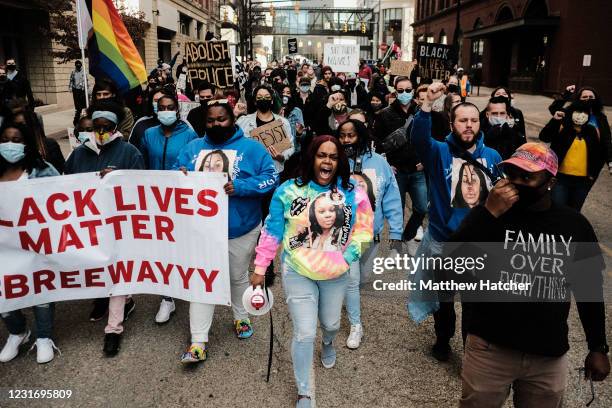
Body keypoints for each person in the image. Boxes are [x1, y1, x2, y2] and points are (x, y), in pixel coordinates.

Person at [452, 143, 610, 407]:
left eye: (527, 177)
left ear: (550, 182)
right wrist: (487, 214)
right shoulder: (491, 215)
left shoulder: (573, 225)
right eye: (511, 175)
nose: (516, 183)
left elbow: (589, 290)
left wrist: (598, 347)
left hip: (546, 354)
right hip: (489, 348)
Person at [251, 135, 373, 407]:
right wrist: (261, 267)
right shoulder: (287, 191)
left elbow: (365, 230)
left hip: (335, 273)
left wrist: (347, 258)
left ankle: (328, 342)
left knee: (330, 324)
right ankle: (304, 390)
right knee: (305, 332)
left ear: (339, 161)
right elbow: (272, 231)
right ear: (312, 158)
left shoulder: (354, 193)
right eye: (321, 155)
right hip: (298, 271)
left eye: (332, 156)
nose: (327, 161)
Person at [174, 99, 278, 363]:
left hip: (241, 229)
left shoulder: (252, 148)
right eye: (211, 120)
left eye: (221, 119)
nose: (216, 124)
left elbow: (270, 177)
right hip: (201, 232)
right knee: (202, 281)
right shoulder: (192, 148)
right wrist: (180, 175)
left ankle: (241, 318)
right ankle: (198, 341)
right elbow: (173, 175)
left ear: (232, 119)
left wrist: (241, 187)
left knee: (237, 276)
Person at [409, 83, 502, 362]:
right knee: (445, 301)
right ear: (452, 123)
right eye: (463, 120)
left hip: (478, 247)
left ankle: (470, 351)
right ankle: (442, 338)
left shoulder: (493, 156)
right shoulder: (438, 151)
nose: (469, 125)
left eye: (474, 120)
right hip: (443, 244)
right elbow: (418, 139)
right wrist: (426, 104)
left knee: (474, 304)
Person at [64, 100, 144, 356]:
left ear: (115, 126)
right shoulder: (78, 154)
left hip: (119, 226)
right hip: (90, 227)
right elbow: (65, 188)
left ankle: (113, 328)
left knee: (117, 272)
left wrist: (118, 179)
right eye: (96, 127)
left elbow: (142, 190)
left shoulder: (129, 152)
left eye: (106, 127)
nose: (100, 131)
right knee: (99, 270)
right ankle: (127, 302)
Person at [337, 119, 402, 349]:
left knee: (362, 278)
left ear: (361, 136)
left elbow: (392, 198)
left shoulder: (380, 164)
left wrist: (396, 234)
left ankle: (347, 295)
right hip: (345, 237)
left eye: (351, 135)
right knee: (352, 281)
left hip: (371, 236)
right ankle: (356, 325)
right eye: (342, 135)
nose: (346, 140)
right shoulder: (334, 161)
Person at [0, 123, 60, 364]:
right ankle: (17, 332)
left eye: (16, 140)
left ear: (26, 145)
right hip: (4, 248)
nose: (10, 145)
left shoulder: (41, 169)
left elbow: (68, 196)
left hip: (35, 245)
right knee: (4, 292)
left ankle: (44, 336)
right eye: (5, 139)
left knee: (40, 291)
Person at [373, 77, 427, 242]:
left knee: (422, 207)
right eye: (401, 90)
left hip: (418, 169)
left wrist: (425, 161)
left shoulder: (422, 112)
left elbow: (430, 139)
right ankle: (396, 242)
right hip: (397, 170)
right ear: (396, 92)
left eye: (408, 90)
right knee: (397, 209)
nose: (405, 93)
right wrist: (386, 164)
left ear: (413, 90)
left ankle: (410, 231)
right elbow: (377, 142)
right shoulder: (384, 114)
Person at [539, 100, 604, 211]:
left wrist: (592, 174)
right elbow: (544, 137)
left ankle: (571, 228)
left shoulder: (591, 131)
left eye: (585, 112)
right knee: (558, 209)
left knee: (574, 211)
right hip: (561, 179)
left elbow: (598, 154)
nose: (581, 115)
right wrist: (554, 121)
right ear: (571, 112)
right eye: (578, 111)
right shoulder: (563, 128)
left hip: (582, 181)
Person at [548, 85, 612, 174]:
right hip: (563, 165)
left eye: (591, 97)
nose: (588, 99)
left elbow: (606, 140)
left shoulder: (600, 117)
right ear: (579, 99)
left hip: (588, 170)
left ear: (596, 99)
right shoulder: (570, 112)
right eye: (584, 97)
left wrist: (610, 160)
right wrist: (566, 94)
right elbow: (554, 109)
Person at [280, 85, 305, 153]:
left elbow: (303, 136)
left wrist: (299, 133)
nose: (285, 95)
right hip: (279, 150)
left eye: (288, 93)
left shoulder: (296, 111)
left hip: (293, 150)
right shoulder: (276, 110)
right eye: (283, 92)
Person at [69, 60, 87, 126]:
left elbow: (86, 81)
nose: (78, 66)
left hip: (82, 90)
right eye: (77, 65)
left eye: (79, 64)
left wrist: (85, 89)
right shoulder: (73, 72)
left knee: (83, 106)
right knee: (77, 107)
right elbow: (71, 80)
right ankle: (76, 121)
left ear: (81, 65)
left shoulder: (84, 72)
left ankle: (83, 119)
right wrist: (70, 88)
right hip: (75, 90)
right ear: (75, 65)